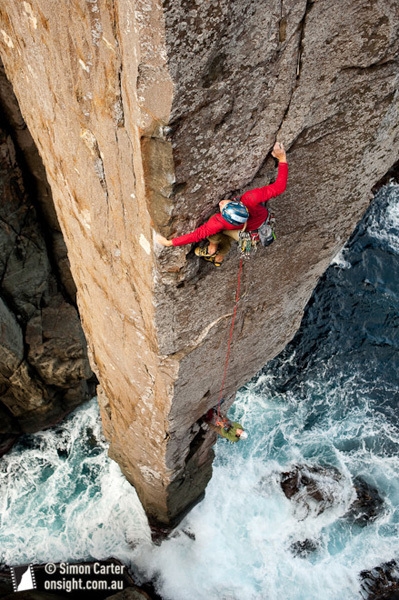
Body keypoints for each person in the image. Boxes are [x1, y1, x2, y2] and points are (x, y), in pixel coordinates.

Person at [156, 141, 288, 265]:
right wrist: (282, 158)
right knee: (227, 236)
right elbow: (279, 187)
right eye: (226, 204)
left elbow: (196, 235)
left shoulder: (218, 221)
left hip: (246, 231)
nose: (221, 203)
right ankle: (220, 256)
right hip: (256, 227)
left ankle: (213, 248)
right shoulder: (250, 199)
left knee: (214, 230)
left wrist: (170, 243)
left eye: (223, 207)